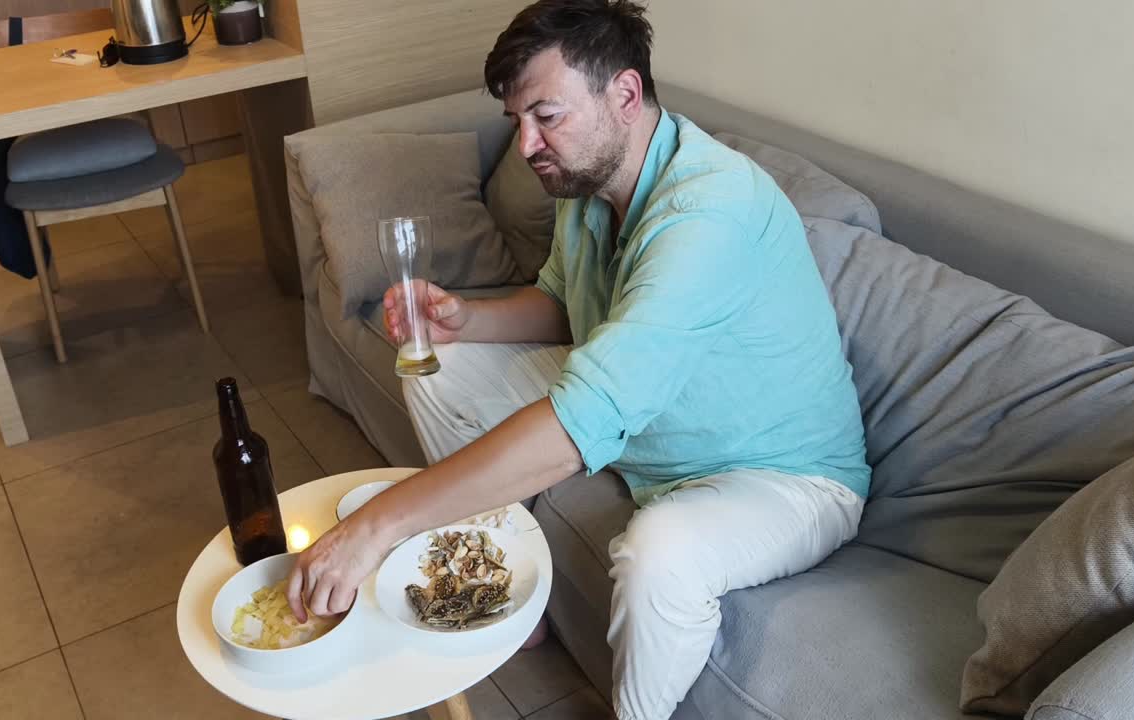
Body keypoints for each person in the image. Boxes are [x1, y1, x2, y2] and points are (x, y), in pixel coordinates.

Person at [286, 1, 871, 718]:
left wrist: (376, 526)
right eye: (518, 124)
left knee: (660, 554)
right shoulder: (587, 184)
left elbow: (585, 416)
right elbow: (566, 306)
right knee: (443, 368)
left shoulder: (709, 213)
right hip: (651, 425)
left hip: (778, 476)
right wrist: (467, 320)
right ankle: (510, 599)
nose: (528, 144)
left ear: (624, 95)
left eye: (546, 115)